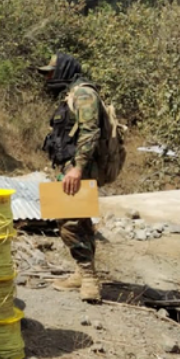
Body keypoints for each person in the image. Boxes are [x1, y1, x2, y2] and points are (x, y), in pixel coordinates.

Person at [38, 52, 103, 303]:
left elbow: (90, 131)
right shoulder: (72, 94)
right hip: (70, 166)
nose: (49, 78)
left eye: (52, 73)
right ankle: (81, 273)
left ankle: (89, 280)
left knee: (70, 223)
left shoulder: (84, 94)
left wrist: (78, 167)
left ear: (64, 70)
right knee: (79, 220)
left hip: (77, 168)